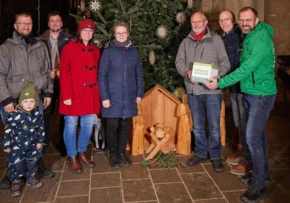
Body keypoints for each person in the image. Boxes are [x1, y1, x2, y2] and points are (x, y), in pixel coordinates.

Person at [205, 7, 277, 203]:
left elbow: (245, 68)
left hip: (261, 94)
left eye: (248, 19)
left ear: (257, 19)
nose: (244, 23)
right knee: (258, 136)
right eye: (242, 20)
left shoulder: (260, 39)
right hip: (252, 92)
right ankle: (263, 174)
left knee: (252, 138)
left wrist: (219, 83)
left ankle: (259, 186)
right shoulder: (251, 36)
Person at [0, 12, 52, 189]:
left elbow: (47, 71)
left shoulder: (40, 45)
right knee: (15, 139)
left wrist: (49, 92)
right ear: (15, 26)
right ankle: (13, 172)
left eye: (28, 24)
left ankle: (37, 165)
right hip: (13, 101)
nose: (26, 26)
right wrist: (6, 99)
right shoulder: (6, 48)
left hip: (35, 100)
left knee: (36, 133)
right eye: (22, 23)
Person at [175, 12, 230, 172]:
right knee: (198, 126)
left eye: (199, 21)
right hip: (193, 91)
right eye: (193, 22)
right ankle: (200, 152)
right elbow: (178, 62)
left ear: (205, 22)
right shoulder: (186, 42)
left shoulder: (216, 40)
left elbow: (225, 63)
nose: (196, 24)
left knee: (214, 125)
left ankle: (215, 156)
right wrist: (187, 73)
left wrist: (218, 76)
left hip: (212, 91)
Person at [98, 21, 144, 169]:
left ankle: (122, 153)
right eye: (118, 33)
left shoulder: (133, 52)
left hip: (129, 97)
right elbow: (102, 75)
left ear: (128, 34)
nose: (121, 35)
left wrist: (139, 92)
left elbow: (139, 73)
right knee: (112, 127)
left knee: (125, 127)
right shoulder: (108, 52)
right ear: (114, 35)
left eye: (124, 33)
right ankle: (113, 156)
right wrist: (104, 97)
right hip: (112, 98)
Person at [59, 18, 100, 174]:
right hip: (73, 95)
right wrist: (67, 95)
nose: (87, 33)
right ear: (79, 32)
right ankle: (72, 156)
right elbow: (64, 73)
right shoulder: (69, 48)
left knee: (87, 125)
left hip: (90, 95)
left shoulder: (95, 50)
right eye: (85, 30)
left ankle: (82, 152)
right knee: (70, 125)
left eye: (90, 31)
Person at [218, 10, 251, 176]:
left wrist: (219, 77)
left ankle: (248, 161)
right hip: (233, 87)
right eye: (221, 20)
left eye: (227, 20)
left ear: (234, 21)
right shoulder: (224, 37)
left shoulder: (239, 37)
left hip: (242, 88)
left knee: (246, 123)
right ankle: (243, 154)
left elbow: (237, 64)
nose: (224, 23)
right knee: (239, 122)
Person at [39, 11, 71, 169]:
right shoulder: (39, 41)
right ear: (48, 24)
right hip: (47, 83)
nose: (55, 23)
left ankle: (64, 143)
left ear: (62, 24)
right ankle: (43, 143)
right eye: (52, 21)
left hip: (64, 83)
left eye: (58, 20)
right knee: (46, 113)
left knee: (65, 113)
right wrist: (48, 73)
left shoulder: (69, 40)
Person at [1, 82, 45, 197]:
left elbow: (41, 128)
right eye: (26, 101)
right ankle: (15, 182)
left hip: (32, 145)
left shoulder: (37, 114)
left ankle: (31, 177)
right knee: (16, 164)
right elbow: (8, 130)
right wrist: (6, 145)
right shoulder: (15, 115)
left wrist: (40, 141)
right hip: (17, 147)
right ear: (21, 102)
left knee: (32, 161)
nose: (29, 104)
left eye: (31, 101)